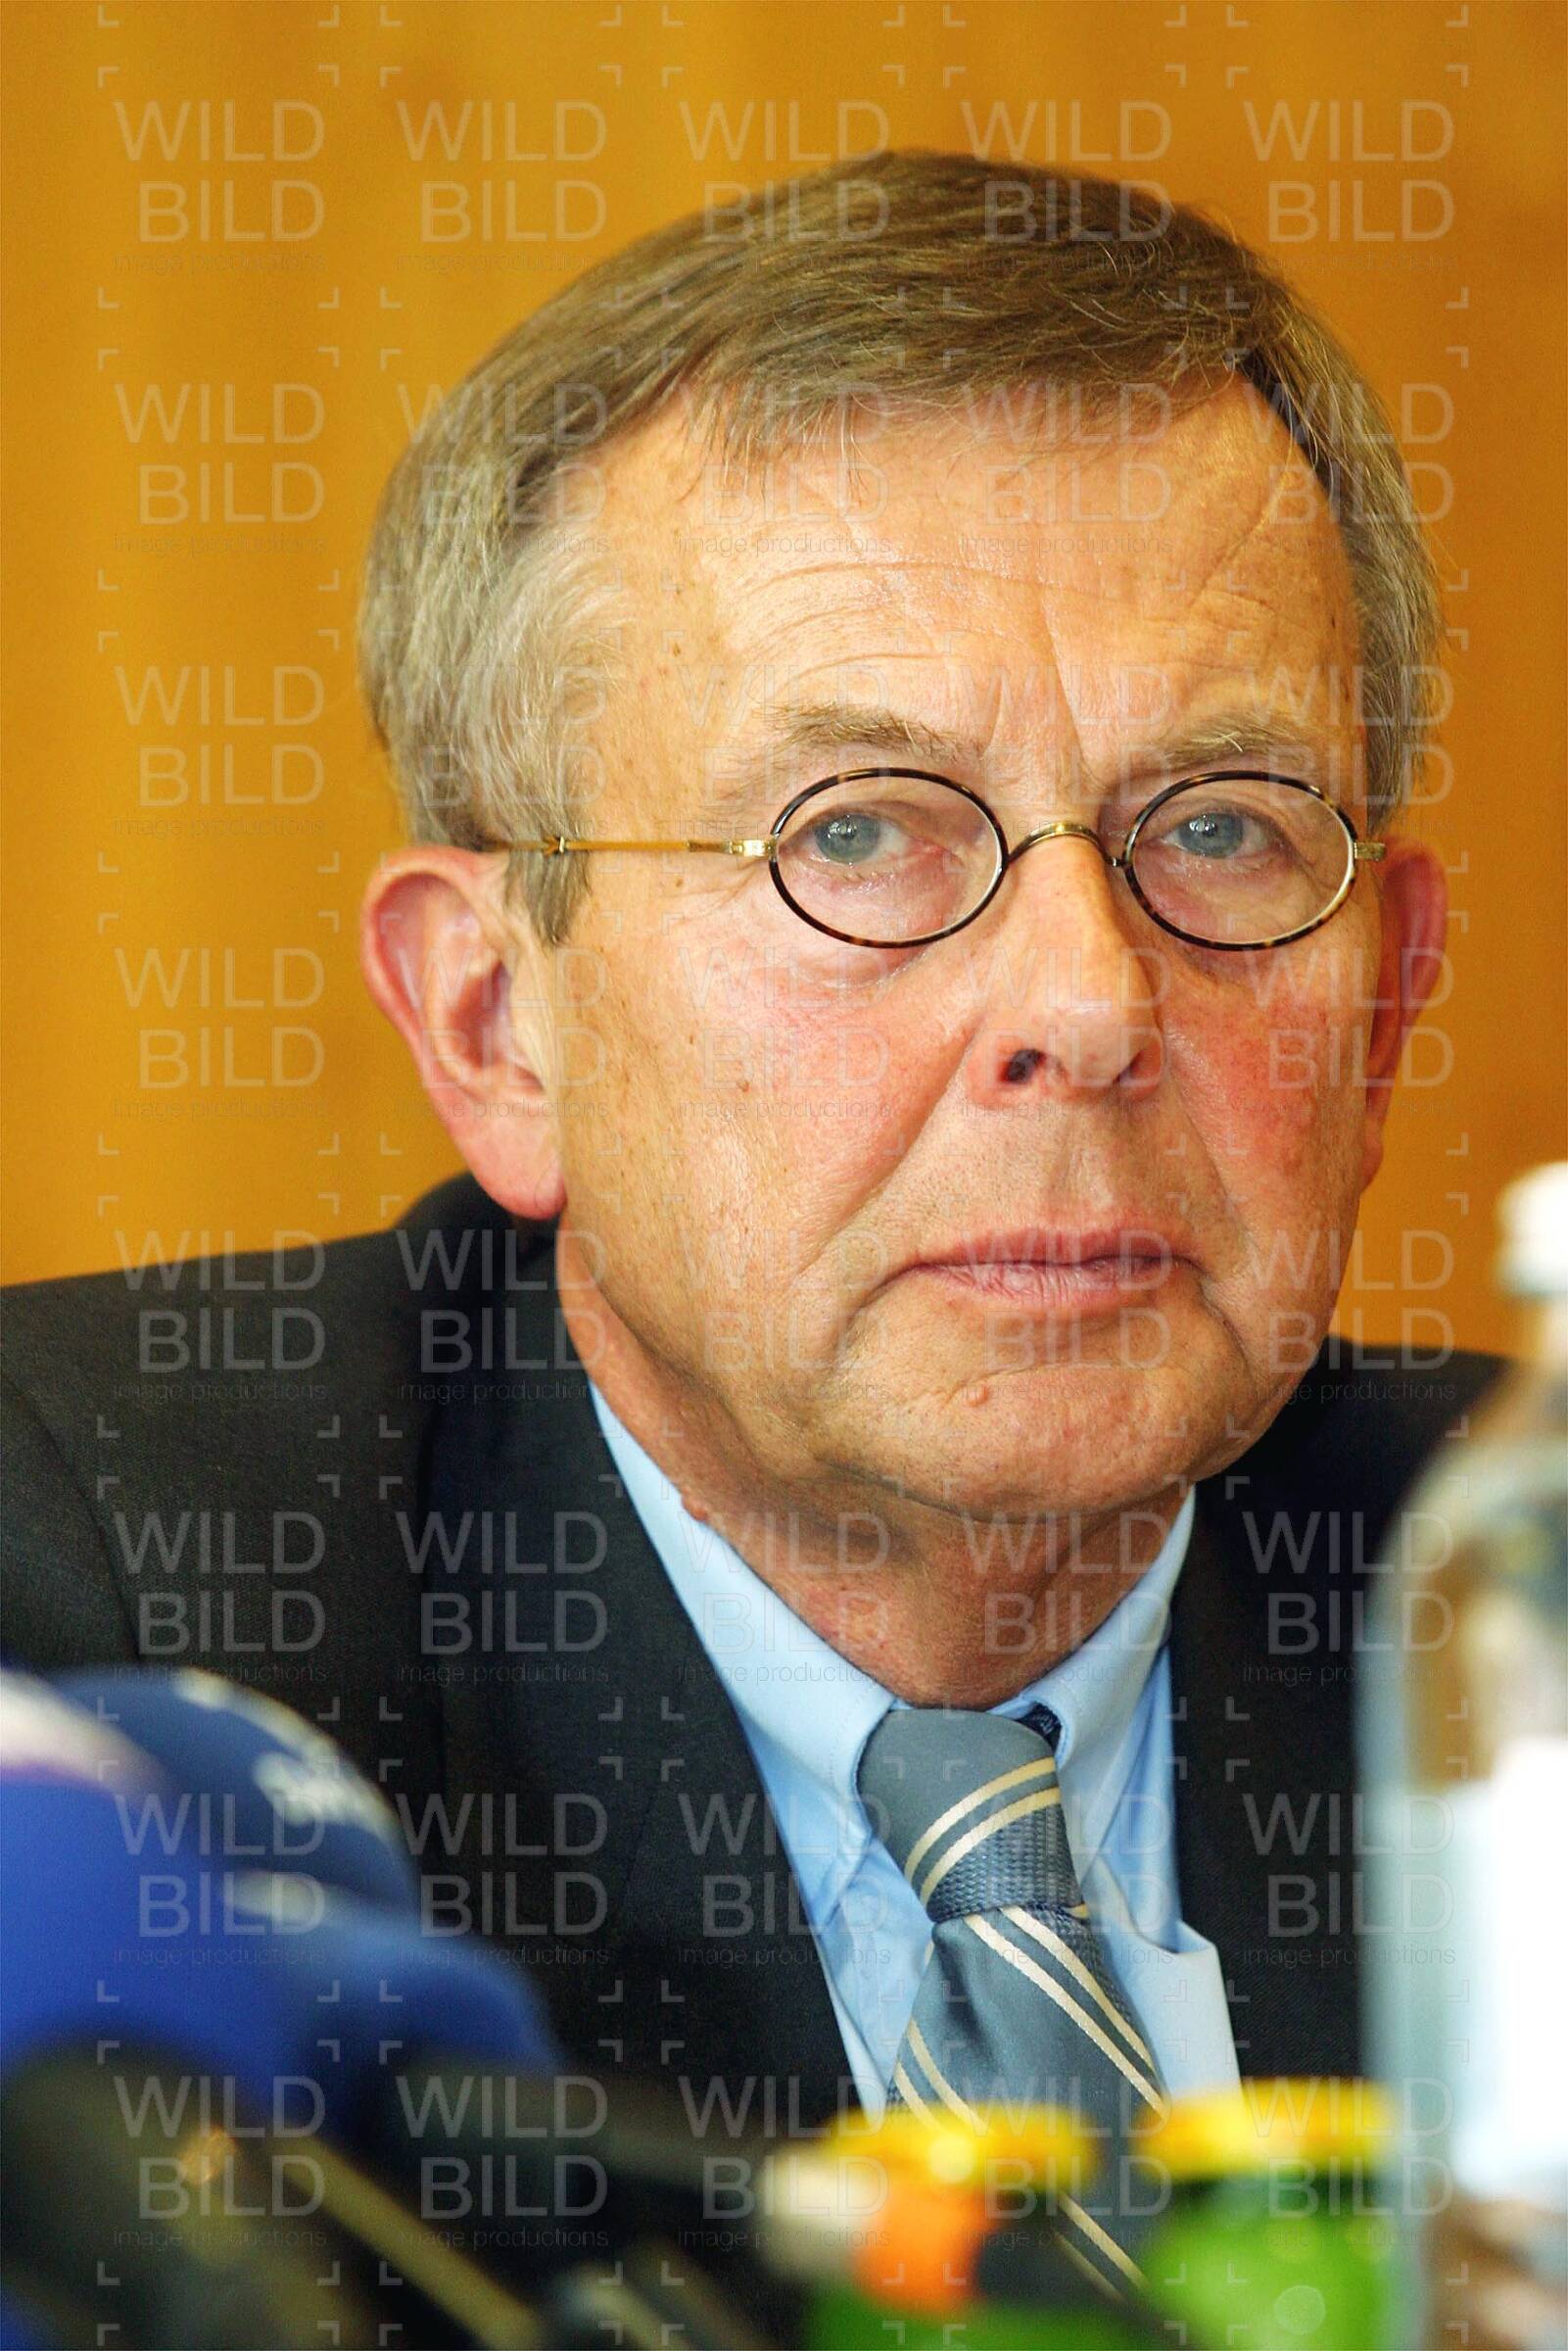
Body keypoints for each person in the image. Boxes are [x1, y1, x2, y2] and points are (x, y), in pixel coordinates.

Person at [2, 153, 1499, 2248]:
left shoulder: (1505, 1608)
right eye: (858, 832)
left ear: (1389, 999)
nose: (1088, 1003)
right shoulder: (88, 1613)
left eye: (1221, 828)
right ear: (495, 1022)